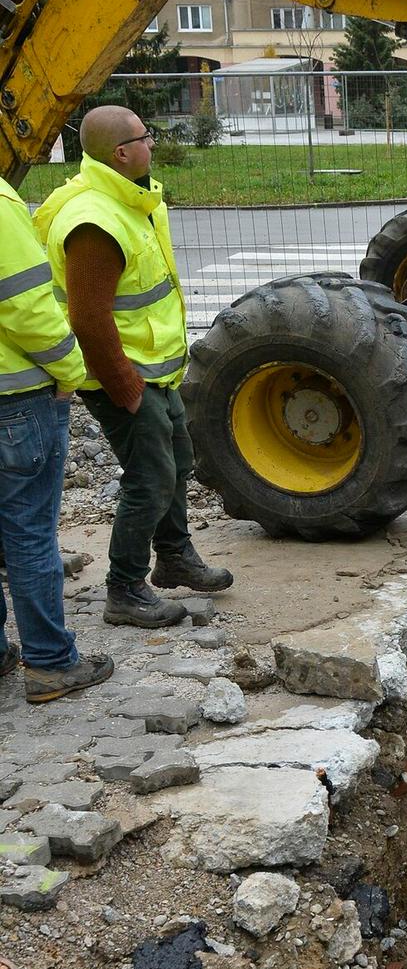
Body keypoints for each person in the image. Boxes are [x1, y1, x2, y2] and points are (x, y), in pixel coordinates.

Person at [33, 106, 233, 628]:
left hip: (154, 370)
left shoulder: (132, 198)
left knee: (177, 461)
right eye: (147, 137)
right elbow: (88, 317)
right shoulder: (94, 222)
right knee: (150, 478)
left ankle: (174, 556)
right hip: (121, 375)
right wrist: (123, 384)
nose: (154, 144)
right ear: (121, 153)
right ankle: (124, 589)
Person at [0, 174, 114, 702]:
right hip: (16, 400)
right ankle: (49, 663)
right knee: (28, 534)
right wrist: (70, 369)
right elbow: (26, 308)